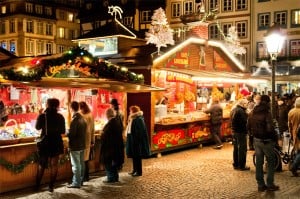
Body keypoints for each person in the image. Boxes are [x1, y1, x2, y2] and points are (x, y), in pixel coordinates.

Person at [247, 95, 279, 192]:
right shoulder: (267, 113)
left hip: (257, 140)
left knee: (259, 163)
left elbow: (248, 127)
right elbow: (270, 129)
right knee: (270, 162)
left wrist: (253, 136)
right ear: (268, 103)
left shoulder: (252, 112)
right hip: (267, 141)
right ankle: (270, 184)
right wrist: (274, 138)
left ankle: (260, 184)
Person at [35, 98, 65, 192]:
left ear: (47, 105)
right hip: (56, 142)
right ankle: (51, 186)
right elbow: (63, 131)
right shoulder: (60, 117)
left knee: (42, 164)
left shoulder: (43, 116)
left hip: (45, 143)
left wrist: (39, 115)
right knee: (54, 165)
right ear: (57, 105)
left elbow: (37, 127)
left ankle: (37, 185)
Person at [99, 108, 124, 183]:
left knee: (109, 163)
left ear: (107, 115)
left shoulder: (110, 124)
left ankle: (110, 178)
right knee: (113, 163)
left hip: (110, 148)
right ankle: (115, 177)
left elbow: (106, 136)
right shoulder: (117, 122)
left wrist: (102, 134)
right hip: (115, 147)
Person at [126, 105, 151, 176]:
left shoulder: (139, 119)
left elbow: (141, 131)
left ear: (133, 111)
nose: (129, 112)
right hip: (132, 140)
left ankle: (139, 172)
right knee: (134, 156)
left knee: (137, 156)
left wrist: (137, 139)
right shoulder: (132, 118)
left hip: (137, 141)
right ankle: (134, 170)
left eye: (130, 111)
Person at [67, 101, 87, 188]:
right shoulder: (83, 118)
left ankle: (76, 182)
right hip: (82, 144)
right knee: (81, 163)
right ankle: (81, 180)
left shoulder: (75, 119)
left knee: (76, 165)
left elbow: (72, 134)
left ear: (71, 108)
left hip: (75, 145)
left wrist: (67, 132)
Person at [231, 98, 250, 171]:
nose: (247, 105)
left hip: (235, 131)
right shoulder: (241, 111)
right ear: (243, 104)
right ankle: (242, 165)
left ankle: (236, 164)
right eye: (246, 104)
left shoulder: (235, 109)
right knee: (242, 149)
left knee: (236, 148)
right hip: (240, 132)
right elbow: (245, 122)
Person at [79, 101, 95, 182]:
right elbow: (93, 128)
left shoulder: (81, 115)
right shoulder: (90, 115)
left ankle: (83, 176)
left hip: (82, 139)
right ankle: (86, 176)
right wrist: (93, 140)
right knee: (86, 158)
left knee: (82, 158)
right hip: (88, 139)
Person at [288, 97, 300, 177]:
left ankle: (294, 166)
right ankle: (294, 166)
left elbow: (289, 124)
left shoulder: (291, 111)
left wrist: (291, 133)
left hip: (294, 133)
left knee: (297, 150)